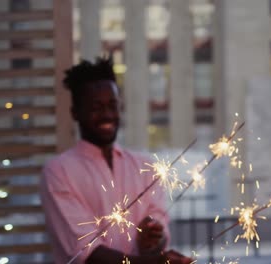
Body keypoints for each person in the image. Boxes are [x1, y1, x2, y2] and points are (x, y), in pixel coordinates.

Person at [40, 58, 193, 264]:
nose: (107, 115)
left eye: (113, 105)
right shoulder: (58, 172)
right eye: (96, 107)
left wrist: (153, 239)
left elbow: (160, 227)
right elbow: (87, 253)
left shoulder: (144, 166)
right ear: (75, 112)